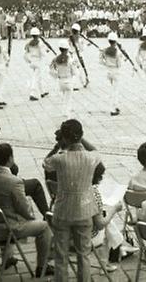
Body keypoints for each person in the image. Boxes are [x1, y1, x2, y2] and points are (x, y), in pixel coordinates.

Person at [0, 143, 54, 276]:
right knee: (44, 227)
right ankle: (42, 267)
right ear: (10, 159)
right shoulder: (14, 181)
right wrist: (30, 216)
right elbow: (24, 210)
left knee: (4, 215)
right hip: (8, 230)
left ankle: (7, 258)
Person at [43, 119, 104, 282]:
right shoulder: (90, 157)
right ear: (80, 135)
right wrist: (81, 138)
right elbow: (96, 150)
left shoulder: (60, 158)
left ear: (65, 137)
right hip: (84, 210)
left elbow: (45, 164)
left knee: (61, 255)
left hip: (63, 211)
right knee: (83, 255)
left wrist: (57, 145)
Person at [0, 120, 49, 217]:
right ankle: (47, 215)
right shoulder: (0, 150)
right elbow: (14, 169)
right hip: (5, 185)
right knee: (35, 184)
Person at [99, 32, 123, 116]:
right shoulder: (118, 52)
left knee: (113, 89)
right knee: (115, 91)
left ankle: (115, 105)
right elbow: (119, 64)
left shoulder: (104, 50)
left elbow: (100, 61)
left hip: (108, 70)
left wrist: (107, 64)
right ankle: (113, 108)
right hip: (115, 71)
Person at [50, 42, 76, 116]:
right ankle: (67, 112)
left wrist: (57, 76)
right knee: (69, 97)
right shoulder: (70, 59)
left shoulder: (55, 59)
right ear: (67, 50)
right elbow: (74, 71)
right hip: (68, 79)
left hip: (60, 80)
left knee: (65, 96)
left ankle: (64, 110)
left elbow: (51, 70)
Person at [23, 27, 49, 101]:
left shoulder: (29, 43)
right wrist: (46, 51)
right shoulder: (39, 43)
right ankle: (32, 93)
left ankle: (42, 91)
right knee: (36, 78)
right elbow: (43, 53)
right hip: (38, 62)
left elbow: (26, 53)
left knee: (39, 77)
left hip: (32, 61)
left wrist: (28, 60)